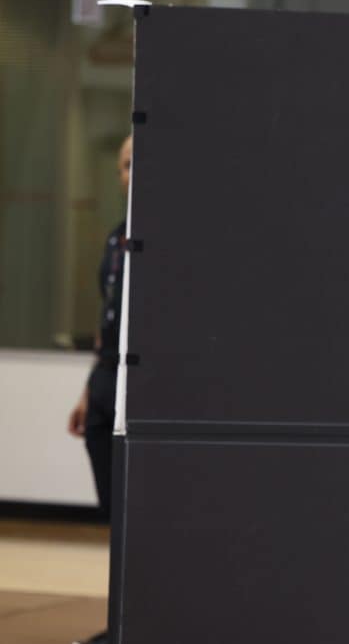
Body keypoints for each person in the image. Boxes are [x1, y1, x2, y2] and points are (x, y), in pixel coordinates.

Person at [67, 134, 131, 644]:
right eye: (122, 168)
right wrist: (90, 390)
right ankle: (116, 618)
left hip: (137, 382)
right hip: (106, 377)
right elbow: (104, 323)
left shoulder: (154, 242)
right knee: (113, 512)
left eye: (135, 164)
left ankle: (128, 622)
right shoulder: (115, 239)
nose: (128, 176)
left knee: (136, 512)